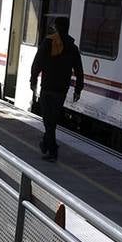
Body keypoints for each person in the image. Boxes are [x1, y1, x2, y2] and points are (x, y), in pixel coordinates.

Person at [29, 16, 83, 162]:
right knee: (51, 120)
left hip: (47, 87)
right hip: (61, 90)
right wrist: (78, 89)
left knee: (48, 120)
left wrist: (33, 80)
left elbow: (37, 63)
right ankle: (46, 144)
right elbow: (79, 70)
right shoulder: (72, 47)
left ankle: (51, 149)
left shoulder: (48, 43)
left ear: (56, 27)